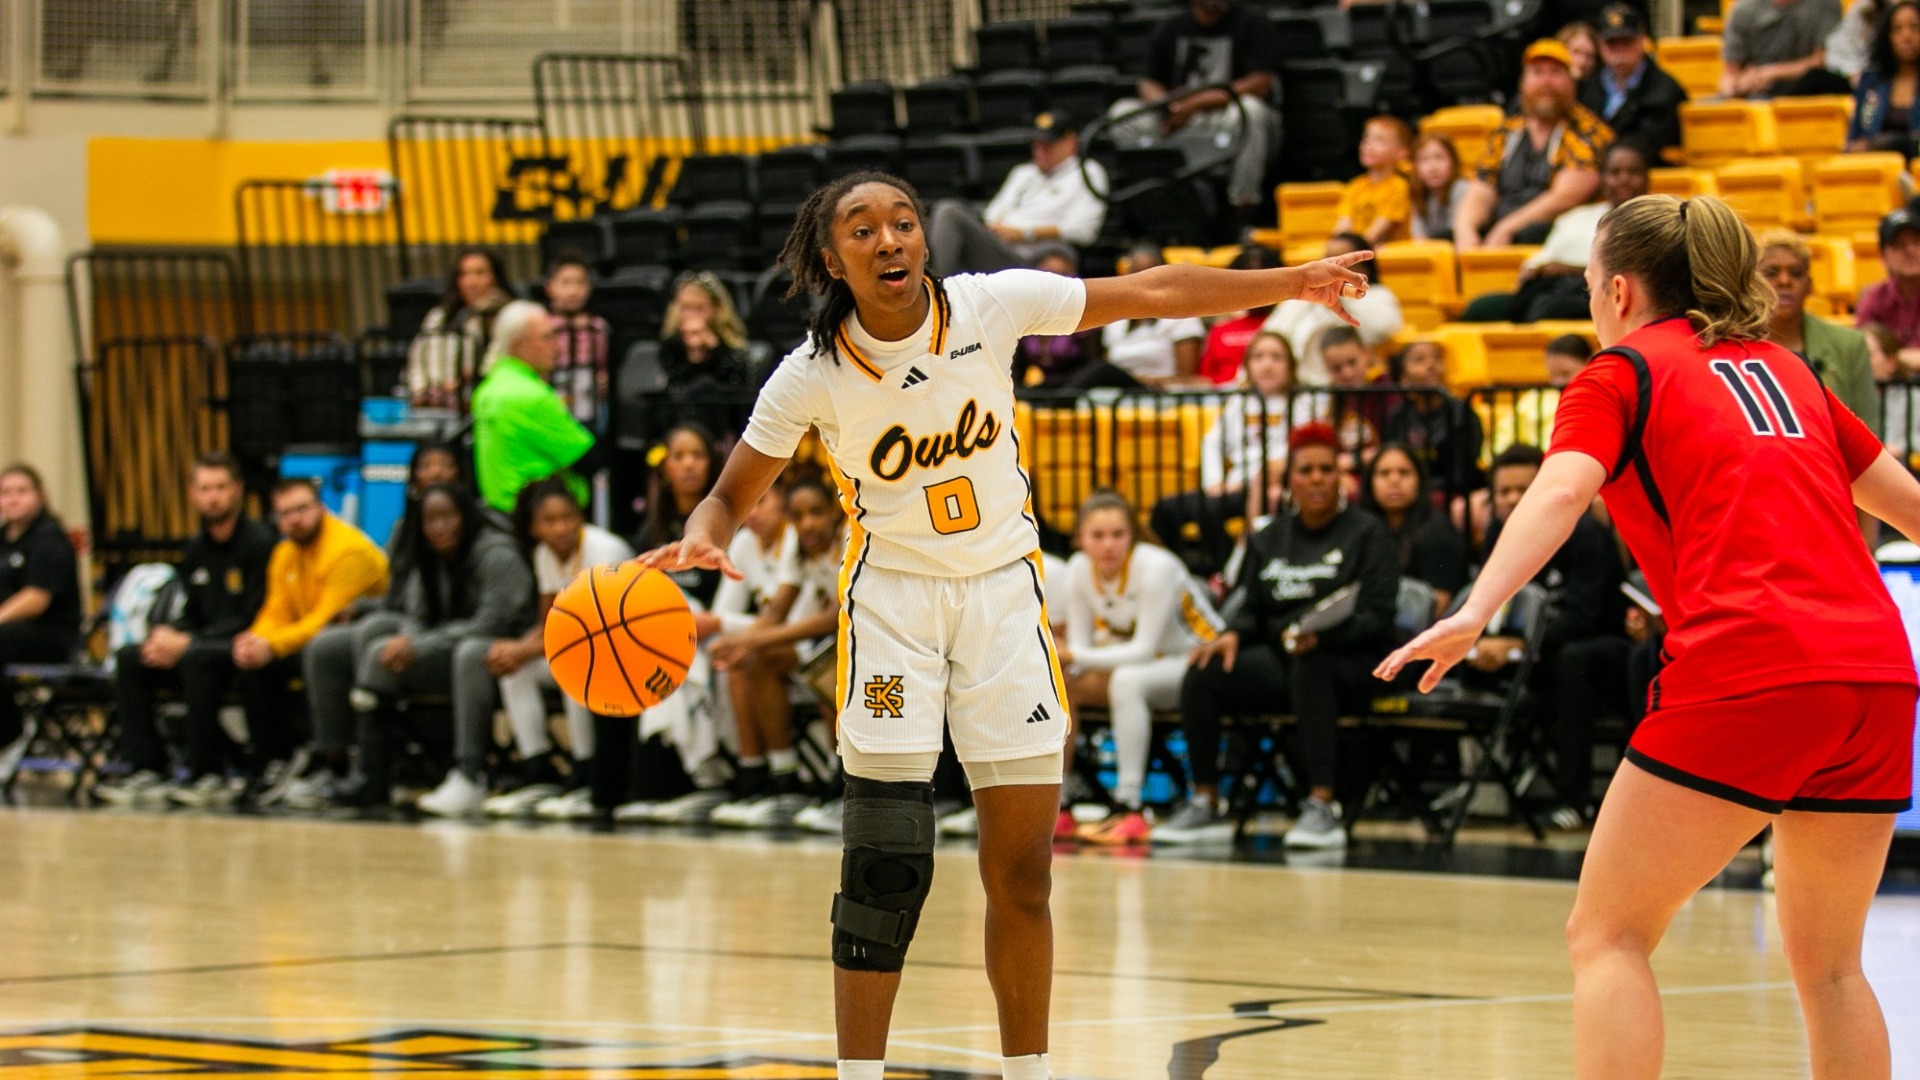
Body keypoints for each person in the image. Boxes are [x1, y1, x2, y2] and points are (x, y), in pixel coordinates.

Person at [637, 169, 1370, 1079]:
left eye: (903, 222)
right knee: (883, 872)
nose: (890, 240)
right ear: (833, 259)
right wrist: (702, 538)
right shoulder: (811, 374)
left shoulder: (990, 307)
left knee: (1021, 875)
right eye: (862, 231)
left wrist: (1287, 283)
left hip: (1002, 601)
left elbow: (1152, 291)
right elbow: (728, 494)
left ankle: (1030, 1072)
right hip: (893, 608)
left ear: (925, 239)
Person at [1381, 194, 1919, 1079]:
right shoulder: (1789, 372)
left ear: (1620, 291)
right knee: (1832, 969)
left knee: (1608, 935)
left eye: (1590, 284)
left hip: (1750, 669)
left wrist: (1476, 609)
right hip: (1874, 679)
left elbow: (1556, 492)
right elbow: (1910, 510)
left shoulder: (1619, 371)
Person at [1159, 422, 1402, 849]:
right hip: (1285, 653)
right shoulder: (1271, 536)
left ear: (1340, 477)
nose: (1316, 479)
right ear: (1290, 479)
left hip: (1351, 658)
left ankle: (1322, 805)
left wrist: (1323, 639)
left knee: (1313, 668)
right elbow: (1252, 603)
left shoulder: (1367, 533)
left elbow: (1378, 614)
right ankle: (1205, 800)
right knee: (1204, 671)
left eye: (1326, 469)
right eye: (1306, 470)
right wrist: (1232, 633)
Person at [337, 483, 535, 809]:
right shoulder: (427, 554)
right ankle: (375, 775)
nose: (439, 527)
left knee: (471, 652)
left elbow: (492, 625)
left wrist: (420, 646)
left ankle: (470, 775)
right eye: (430, 519)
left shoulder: (496, 554)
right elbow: (417, 615)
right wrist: (408, 640)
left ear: (465, 516)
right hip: (448, 650)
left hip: (509, 652)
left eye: (447, 516)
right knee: (380, 652)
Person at [97, 453, 279, 808]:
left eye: (221, 487)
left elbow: (255, 615)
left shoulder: (260, 542)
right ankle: (147, 767)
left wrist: (190, 641)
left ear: (238, 490)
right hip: (200, 648)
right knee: (131, 659)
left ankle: (207, 773)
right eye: (205, 488)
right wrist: (165, 637)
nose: (213, 497)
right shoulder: (196, 548)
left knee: (197, 658)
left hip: (244, 648)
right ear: (192, 494)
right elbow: (192, 612)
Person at [1470, 444, 1629, 827]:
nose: (1511, 500)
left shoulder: (1585, 532)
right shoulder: (1497, 532)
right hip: (1534, 643)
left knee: (1573, 660)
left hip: (1602, 645)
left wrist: (1520, 645)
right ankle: (1484, 785)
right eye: (1503, 492)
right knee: (1467, 658)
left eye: (1522, 490)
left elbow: (1583, 616)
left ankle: (1573, 799)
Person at [1060, 491, 1223, 846]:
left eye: (1118, 534)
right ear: (1080, 539)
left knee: (1127, 680)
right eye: (1097, 536)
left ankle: (1130, 805)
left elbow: (1142, 650)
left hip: (1200, 663)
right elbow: (1080, 647)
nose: (1108, 545)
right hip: (1147, 665)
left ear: (1132, 535)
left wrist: (1072, 655)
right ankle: (1058, 804)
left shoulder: (1156, 566)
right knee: (1060, 681)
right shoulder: (1077, 569)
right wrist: (1071, 658)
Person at [469, 479, 635, 819]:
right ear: (533, 527)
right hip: (578, 644)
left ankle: (585, 767)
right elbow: (550, 620)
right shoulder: (545, 555)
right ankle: (537, 766)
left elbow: (591, 627)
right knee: (515, 671)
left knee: (574, 664)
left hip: (623, 650)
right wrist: (517, 650)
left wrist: (525, 648)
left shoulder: (605, 552)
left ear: (580, 518)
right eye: (549, 520)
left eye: (567, 517)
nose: (560, 527)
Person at [599, 423, 725, 821]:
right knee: (608, 658)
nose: (688, 465)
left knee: (667, 658)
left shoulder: (724, 523)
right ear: (665, 468)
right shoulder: (650, 530)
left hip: (710, 632)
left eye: (697, 455)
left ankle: (672, 783)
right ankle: (605, 787)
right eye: (679, 456)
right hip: (663, 633)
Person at [244, 479, 391, 809]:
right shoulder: (284, 553)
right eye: (285, 514)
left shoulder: (347, 551)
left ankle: (329, 761)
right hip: (310, 642)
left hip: (360, 647)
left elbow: (322, 621)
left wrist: (272, 645)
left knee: (314, 652)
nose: (294, 519)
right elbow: (275, 613)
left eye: (301, 509)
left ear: (321, 509)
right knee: (249, 661)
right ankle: (269, 763)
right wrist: (256, 639)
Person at [707, 477, 844, 828]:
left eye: (816, 513)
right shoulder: (799, 549)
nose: (807, 523)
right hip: (826, 646)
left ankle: (840, 780)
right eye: (798, 516)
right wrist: (746, 642)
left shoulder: (848, 542)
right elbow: (776, 612)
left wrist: (752, 639)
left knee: (829, 667)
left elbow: (833, 617)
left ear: (835, 512)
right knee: (759, 662)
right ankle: (784, 777)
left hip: (867, 643)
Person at [1152, 331, 1313, 576]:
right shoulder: (1239, 401)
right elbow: (1213, 443)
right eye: (1258, 357)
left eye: (1276, 357)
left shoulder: (1302, 401)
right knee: (1165, 509)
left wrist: (1257, 478)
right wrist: (1215, 481)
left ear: (1290, 365)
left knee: (1210, 509)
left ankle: (1230, 575)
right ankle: (1174, 574)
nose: (1266, 364)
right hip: (1233, 485)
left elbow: (1300, 451)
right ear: (1247, 366)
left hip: (1276, 488)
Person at [1106, 0, 1281, 214]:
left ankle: (1243, 207)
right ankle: (1147, 204)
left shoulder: (1253, 23)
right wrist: (1170, 106)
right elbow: (1147, 82)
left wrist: (1195, 103)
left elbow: (1259, 83)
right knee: (1122, 113)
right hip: (1179, 119)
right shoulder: (1171, 26)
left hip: (1224, 116)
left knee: (1250, 110)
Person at [1460, 140, 1652, 323]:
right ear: (1603, 178)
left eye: (1633, 172)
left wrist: (1564, 269)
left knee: (1548, 308)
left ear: (1647, 177)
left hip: (1604, 300)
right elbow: (1540, 263)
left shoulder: (1656, 221)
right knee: (1481, 308)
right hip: (1553, 290)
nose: (1624, 180)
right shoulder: (1575, 216)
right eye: (1615, 173)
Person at [1455, 40, 1614, 249]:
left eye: (1555, 72)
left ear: (1570, 82)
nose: (1546, 81)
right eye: (1537, 73)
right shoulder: (1506, 132)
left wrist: (1506, 228)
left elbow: (1566, 197)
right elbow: (1482, 185)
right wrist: (1465, 229)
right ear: (1523, 82)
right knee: (1446, 238)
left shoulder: (1588, 131)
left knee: (1532, 233)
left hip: (1557, 233)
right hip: (1502, 224)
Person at [471, 300, 611, 515]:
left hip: (498, 508)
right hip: (538, 517)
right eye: (546, 337)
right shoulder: (530, 395)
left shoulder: (488, 388)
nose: (556, 345)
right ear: (519, 345)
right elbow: (587, 459)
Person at [929, 111, 1107, 276]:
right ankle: (933, 285)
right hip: (1002, 248)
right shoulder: (1023, 172)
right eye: (1036, 144)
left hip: (1041, 250)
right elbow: (992, 215)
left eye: (1048, 144)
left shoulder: (1088, 172)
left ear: (1071, 142)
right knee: (947, 211)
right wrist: (998, 231)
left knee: (949, 211)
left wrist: (1025, 233)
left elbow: (1085, 231)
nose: (1040, 151)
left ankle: (931, 289)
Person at [0, 464, 82, 773]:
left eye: (22, 491)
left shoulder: (49, 538)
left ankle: (9, 736)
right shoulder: (3, 540)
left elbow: (36, 598)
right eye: (6, 493)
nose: (13, 499)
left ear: (41, 495)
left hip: (51, 635)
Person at [1759, 230, 1880, 430]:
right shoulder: (1734, 344)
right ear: (1754, 284)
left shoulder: (1849, 345)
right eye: (1771, 273)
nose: (1784, 281)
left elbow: (1869, 429)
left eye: (1796, 273)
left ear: (1810, 285)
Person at [1264, 234, 1404, 382]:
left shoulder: (1378, 295)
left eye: (1342, 262)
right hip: (1302, 389)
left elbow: (1383, 328)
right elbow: (1271, 335)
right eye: (1329, 258)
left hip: (1349, 387)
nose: (1333, 266)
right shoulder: (1300, 300)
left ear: (1364, 268)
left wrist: (1342, 293)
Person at [1357, 445, 1469, 616]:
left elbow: (1439, 605)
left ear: (1420, 481)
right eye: (1384, 473)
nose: (1394, 480)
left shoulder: (1437, 530)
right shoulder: (1363, 528)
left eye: (1404, 473)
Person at [1080, 246, 1207, 388]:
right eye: (1135, 273)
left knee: (1102, 371)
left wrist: (1144, 381)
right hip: (1120, 397)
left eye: (1148, 273)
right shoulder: (1115, 322)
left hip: (1159, 395)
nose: (1142, 281)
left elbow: (1187, 379)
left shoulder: (1183, 318)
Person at [406, 249, 512, 409]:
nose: (472, 281)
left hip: (486, 402)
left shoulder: (509, 315)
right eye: (464, 274)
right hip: (436, 402)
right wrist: (421, 391)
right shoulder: (439, 316)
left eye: (480, 273)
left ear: (496, 278)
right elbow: (417, 361)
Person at [1383, 340, 1486, 503]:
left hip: (1452, 496)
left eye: (1437, 359)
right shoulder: (1398, 417)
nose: (1431, 365)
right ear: (1403, 378)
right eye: (1419, 360)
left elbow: (1461, 475)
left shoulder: (1463, 415)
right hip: (1407, 493)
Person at [1579, 5, 1687, 156]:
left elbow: (1649, 143)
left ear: (1642, 41)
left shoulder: (1664, 89)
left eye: (1626, 41)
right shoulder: (1589, 85)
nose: (1620, 51)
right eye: (1612, 44)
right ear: (1600, 46)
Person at [659, 270, 755, 439]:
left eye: (699, 308)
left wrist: (713, 348)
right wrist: (694, 355)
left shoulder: (730, 346)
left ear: (716, 308)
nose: (692, 315)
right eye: (686, 308)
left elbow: (739, 387)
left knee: (707, 385)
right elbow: (675, 387)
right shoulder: (671, 345)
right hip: (679, 422)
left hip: (724, 425)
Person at [1012, 245, 1104, 388]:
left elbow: (1092, 368)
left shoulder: (1086, 315)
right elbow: (1016, 370)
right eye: (1049, 276)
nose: (1056, 286)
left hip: (1076, 391)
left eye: (1063, 277)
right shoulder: (1023, 316)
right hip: (1038, 394)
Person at [1195, 244, 1283, 385]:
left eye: (1264, 282)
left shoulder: (1288, 324)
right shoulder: (1219, 330)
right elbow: (1206, 379)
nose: (1256, 291)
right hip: (1220, 401)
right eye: (1249, 283)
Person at [1721, 0, 1848, 98]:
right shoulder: (1744, 9)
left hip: (1807, 92)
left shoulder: (1825, 5)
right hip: (1756, 93)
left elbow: (1823, 61)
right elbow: (1731, 73)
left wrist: (1770, 73)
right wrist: (1736, 87)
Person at [544, 253, 612, 429]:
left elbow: (603, 365)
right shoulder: (541, 326)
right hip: (551, 406)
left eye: (580, 283)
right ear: (549, 287)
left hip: (589, 408)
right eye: (565, 283)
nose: (573, 291)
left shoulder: (598, 327)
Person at [1847, 0, 1920, 153]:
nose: (1906, 36)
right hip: (1876, 168)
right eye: (1897, 29)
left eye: (1915, 27)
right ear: (1887, 37)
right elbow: (1856, 138)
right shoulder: (1871, 83)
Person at [1334, 116, 1416, 247]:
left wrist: (1346, 251)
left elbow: (1374, 235)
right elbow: (1342, 228)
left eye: (1379, 140)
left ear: (1401, 152)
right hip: (1357, 250)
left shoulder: (1399, 186)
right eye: (1366, 139)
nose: (1369, 146)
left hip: (1389, 259)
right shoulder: (1355, 185)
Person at [1854, 207, 1920, 367]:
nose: (1910, 251)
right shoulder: (1874, 298)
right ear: (1883, 257)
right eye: (1899, 245)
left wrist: (1892, 359)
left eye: (1917, 242)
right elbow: (1861, 357)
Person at [1410, 134, 1470, 243]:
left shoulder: (1461, 189)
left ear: (1453, 162)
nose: (1433, 168)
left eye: (1439, 158)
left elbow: (1456, 234)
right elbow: (1418, 238)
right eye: (1424, 160)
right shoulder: (1420, 194)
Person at [1827, 0, 1886, 84]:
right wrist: (1852, 72)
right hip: (1847, 67)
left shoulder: (1894, 12)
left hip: (1876, 73)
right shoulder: (1860, 9)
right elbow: (1841, 48)